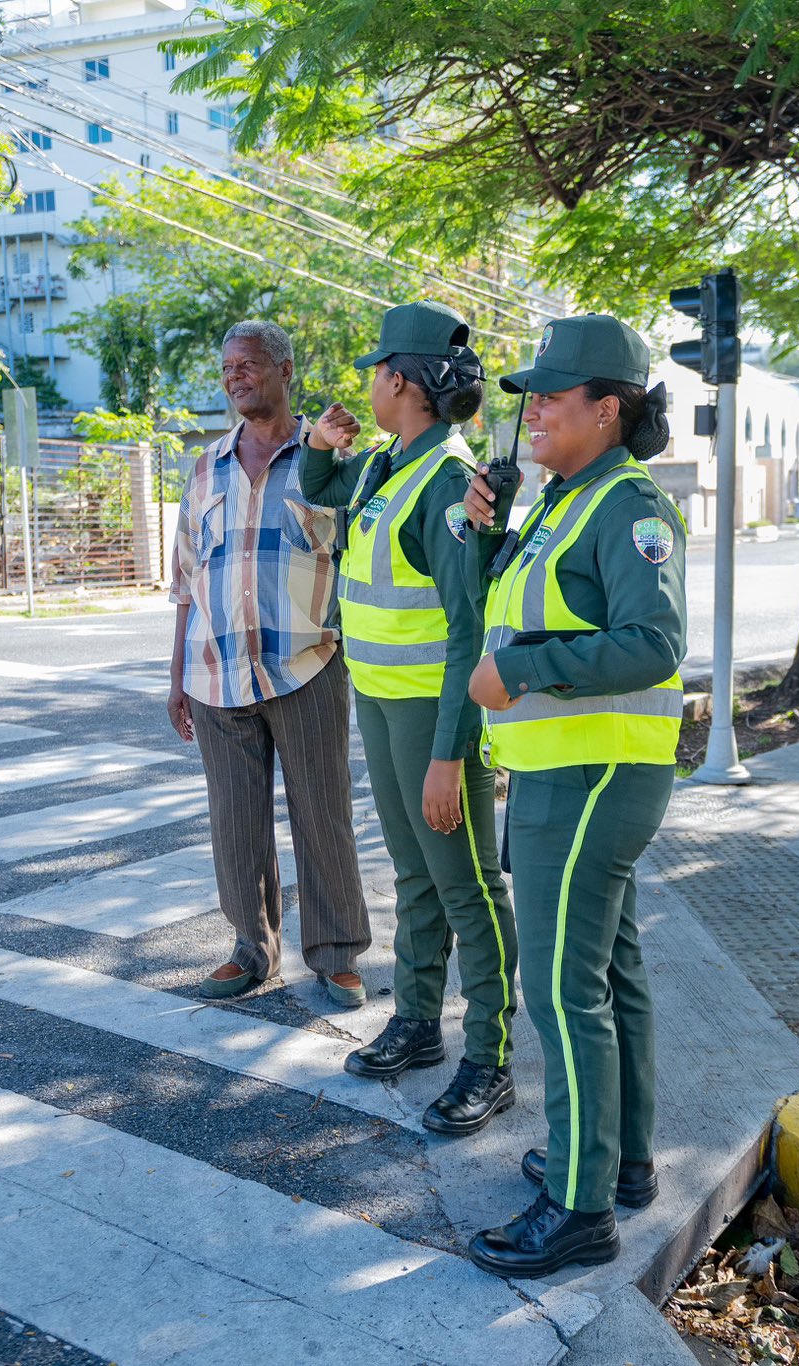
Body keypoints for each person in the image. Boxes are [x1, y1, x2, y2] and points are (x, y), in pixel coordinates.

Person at [458, 314, 686, 1279]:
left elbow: (655, 643)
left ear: (609, 409)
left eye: (553, 396)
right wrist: (483, 534)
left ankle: (580, 1209)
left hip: (592, 776)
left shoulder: (628, 507)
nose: (534, 410)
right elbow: (506, 612)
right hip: (568, 772)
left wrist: (526, 670)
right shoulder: (565, 499)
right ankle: (619, 1162)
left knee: (560, 992)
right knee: (610, 975)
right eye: (532, 396)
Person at [300, 300, 520, 1137]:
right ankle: (421, 1021)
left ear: (399, 380)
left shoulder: (447, 486)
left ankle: (489, 1059)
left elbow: (470, 632)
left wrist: (448, 757)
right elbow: (327, 498)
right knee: (417, 874)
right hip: (385, 702)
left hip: (434, 718)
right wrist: (322, 449)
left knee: (468, 887)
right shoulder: (390, 462)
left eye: (376, 372)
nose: (368, 384)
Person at [166, 320, 372, 1009]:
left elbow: (359, 560)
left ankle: (337, 953)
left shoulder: (328, 462)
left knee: (323, 814)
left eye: (249, 364)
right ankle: (252, 949)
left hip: (307, 664)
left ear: (285, 369)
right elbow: (184, 582)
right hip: (217, 673)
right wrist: (175, 679)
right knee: (234, 820)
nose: (235, 376)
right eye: (228, 366)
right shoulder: (205, 469)